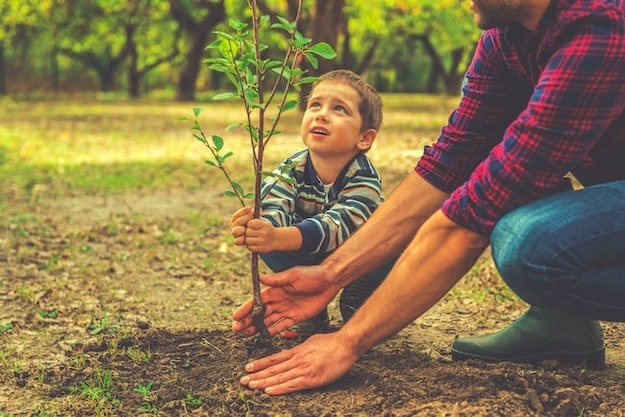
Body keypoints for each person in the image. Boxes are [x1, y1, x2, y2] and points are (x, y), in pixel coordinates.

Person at [231, 0, 625, 395]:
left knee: (528, 243)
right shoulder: (503, 38)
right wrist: (331, 273)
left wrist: (347, 341)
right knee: (517, 190)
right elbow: (449, 163)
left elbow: (472, 217)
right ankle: (563, 321)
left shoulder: (599, 26)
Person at [230, 69, 393, 338]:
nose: (321, 114)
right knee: (271, 243)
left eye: (339, 109)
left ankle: (362, 295)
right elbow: (274, 202)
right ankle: (311, 311)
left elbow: (340, 226)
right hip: (309, 251)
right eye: (315, 105)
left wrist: (282, 236)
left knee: (391, 247)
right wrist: (259, 228)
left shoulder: (364, 177)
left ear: (364, 138)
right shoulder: (294, 166)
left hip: (358, 255)